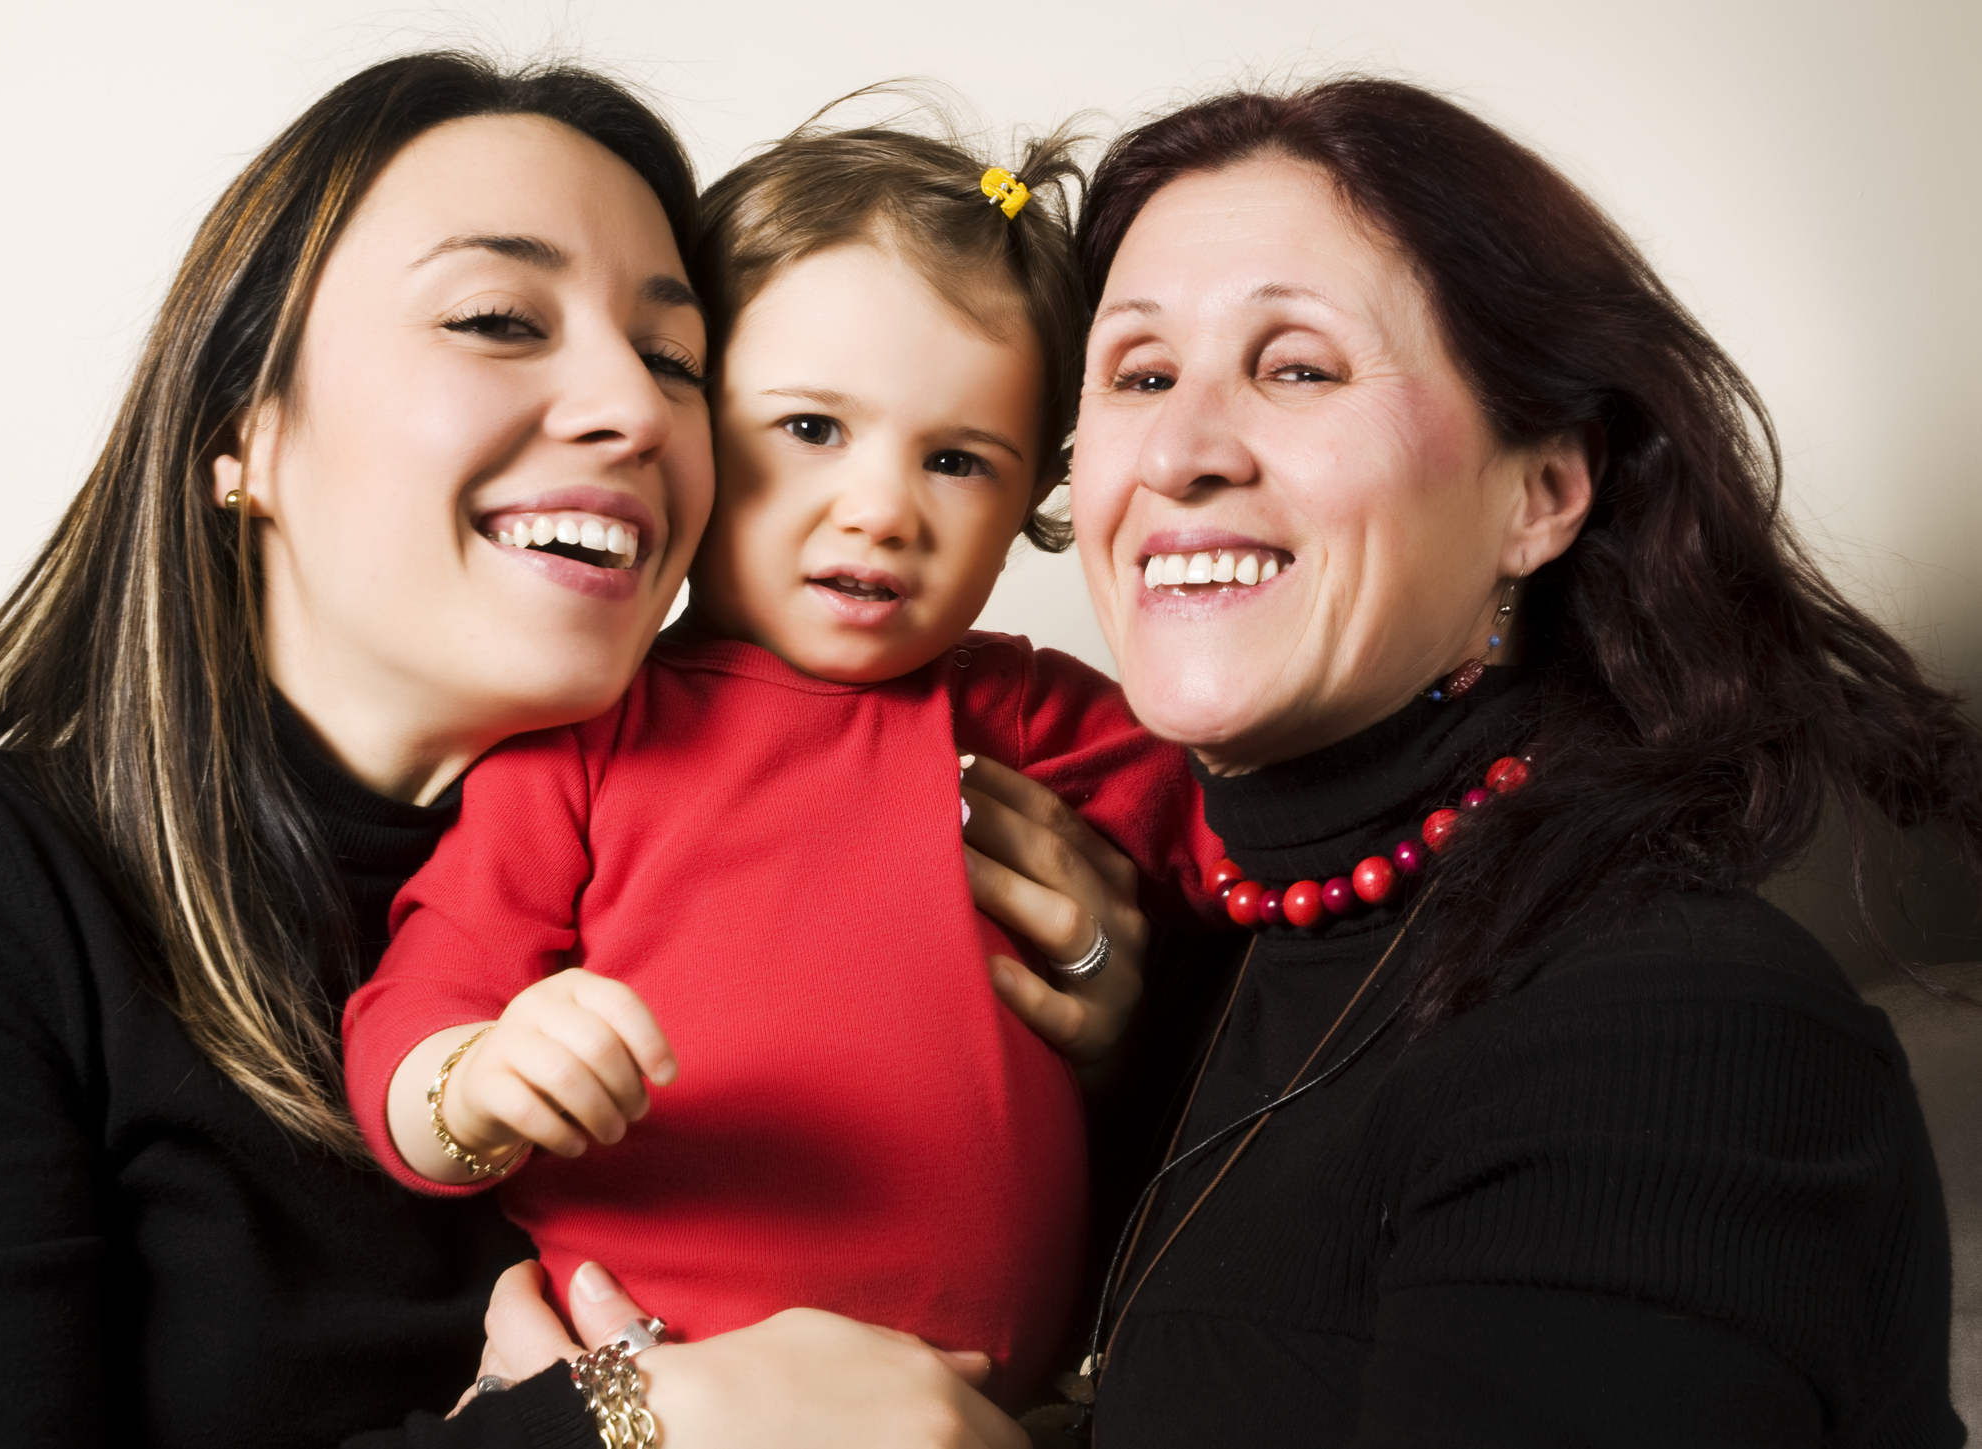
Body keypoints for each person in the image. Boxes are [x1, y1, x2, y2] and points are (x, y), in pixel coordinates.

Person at [480, 78, 1976, 1449]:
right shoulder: (1219, 968)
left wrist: (634, 1422)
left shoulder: (1673, 1037)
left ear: (1541, 492)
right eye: (1135, 376)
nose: (1182, 449)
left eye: (1298, 367)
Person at [339, 120, 1220, 1406]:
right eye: (811, 426)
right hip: (661, 1397)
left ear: (1037, 491)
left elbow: (1263, 837)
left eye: (957, 460)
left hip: (987, 1420)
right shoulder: (588, 741)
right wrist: (475, 1085)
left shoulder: (1024, 714)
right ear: (690, 424)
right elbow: (420, 1002)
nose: (880, 506)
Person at [0, 51, 721, 1447]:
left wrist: (1114, 1010)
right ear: (246, 433)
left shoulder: (786, 858)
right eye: (495, 318)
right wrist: (633, 1426)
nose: (636, 410)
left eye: (675, 359)